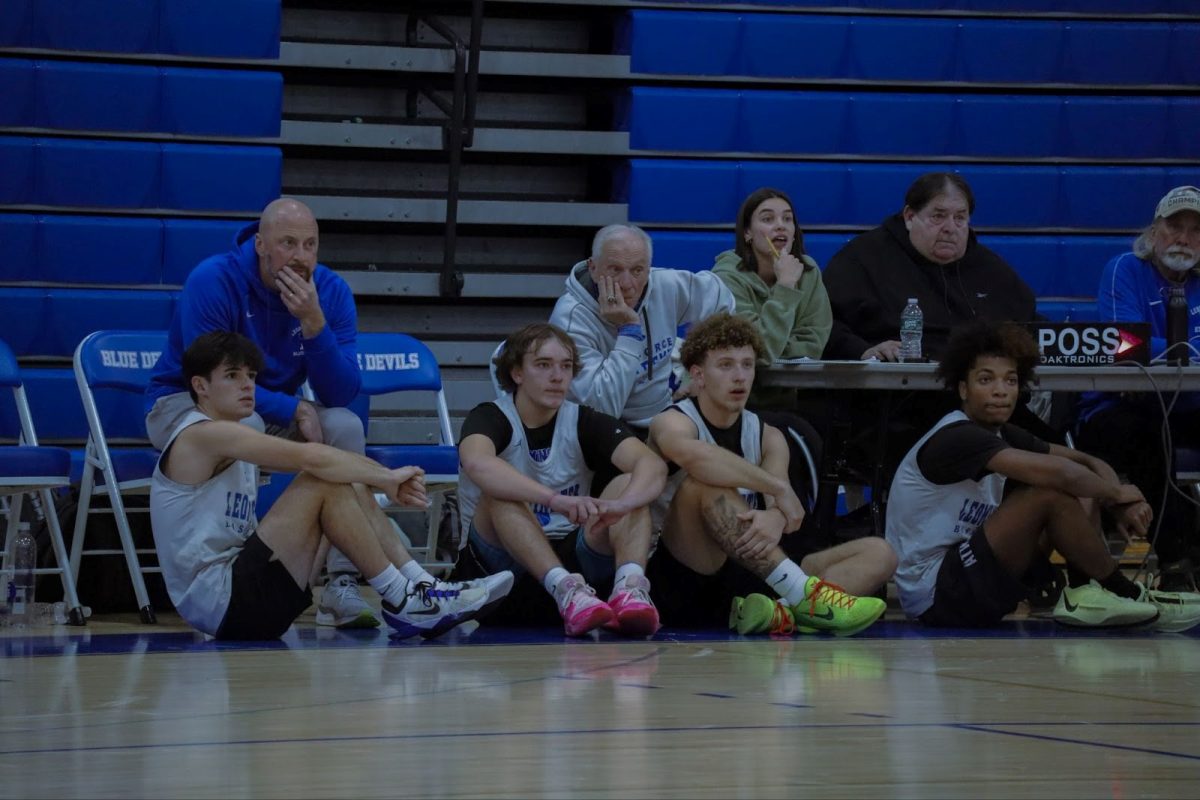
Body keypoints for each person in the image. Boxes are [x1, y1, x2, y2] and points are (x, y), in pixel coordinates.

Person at [149, 331, 512, 641]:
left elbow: (330, 462)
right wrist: (386, 477)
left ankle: (419, 587)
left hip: (249, 599)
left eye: (251, 375)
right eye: (232, 375)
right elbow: (312, 458)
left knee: (341, 479)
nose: (247, 385)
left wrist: (377, 477)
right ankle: (404, 599)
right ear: (200, 386)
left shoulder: (241, 433)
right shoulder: (201, 435)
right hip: (218, 600)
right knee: (322, 479)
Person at [145, 198, 381, 630]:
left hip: (264, 406)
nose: (300, 256)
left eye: (310, 245)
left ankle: (342, 583)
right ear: (260, 244)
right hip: (186, 401)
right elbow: (210, 381)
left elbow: (342, 391)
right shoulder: (214, 280)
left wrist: (313, 323)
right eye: (287, 243)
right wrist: (293, 407)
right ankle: (241, 557)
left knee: (344, 426)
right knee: (243, 421)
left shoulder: (330, 292)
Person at [886, 320, 1200, 632]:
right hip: (935, 591)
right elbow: (1061, 473)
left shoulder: (1002, 432)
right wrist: (1117, 495)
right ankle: (1128, 592)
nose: (1000, 391)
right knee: (1048, 493)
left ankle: (1088, 590)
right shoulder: (957, 436)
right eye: (986, 380)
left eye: (1010, 381)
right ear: (963, 389)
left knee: (1077, 486)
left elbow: (1086, 462)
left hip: (971, 573)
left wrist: (1116, 497)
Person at [645, 313, 895, 636]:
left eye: (747, 365)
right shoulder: (673, 421)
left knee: (880, 553)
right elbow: (696, 458)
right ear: (698, 375)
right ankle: (804, 597)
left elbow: (788, 515)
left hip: (750, 570)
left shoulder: (768, 436)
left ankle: (780, 613)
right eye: (726, 365)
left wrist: (776, 516)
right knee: (703, 485)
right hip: (685, 574)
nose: (740, 377)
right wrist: (777, 488)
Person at [453, 323, 669, 637]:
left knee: (629, 485)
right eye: (543, 365)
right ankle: (562, 587)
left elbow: (652, 465)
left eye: (565, 366)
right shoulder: (489, 417)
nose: (557, 376)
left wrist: (622, 505)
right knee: (499, 491)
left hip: (583, 584)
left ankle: (628, 588)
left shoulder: (584, 419)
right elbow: (477, 462)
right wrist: (553, 499)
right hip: (500, 578)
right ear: (517, 373)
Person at [1076, 185, 1200, 591]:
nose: (1184, 238)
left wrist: (1157, 348)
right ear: (1153, 232)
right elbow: (1123, 342)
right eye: (1175, 226)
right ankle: (1176, 562)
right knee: (1148, 437)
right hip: (1116, 406)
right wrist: (1185, 349)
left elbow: (1143, 345)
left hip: (1186, 405)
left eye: (1196, 231)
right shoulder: (1124, 268)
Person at [714, 186, 833, 553]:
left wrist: (773, 344)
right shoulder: (727, 276)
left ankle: (813, 547)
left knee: (828, 437)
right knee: (797, 436)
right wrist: (784, 288)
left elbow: (814, 339)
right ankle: (783, 552)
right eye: (767, 218)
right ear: (747, 233)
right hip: (733, 402)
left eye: (787, 218)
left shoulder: (808, 271)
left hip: (787, 396)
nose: (780, 226)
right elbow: (758, 351)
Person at [822, 172, 1036, 363]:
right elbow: (822, 324)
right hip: (889, 390)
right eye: (938, 216)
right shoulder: (863, 259)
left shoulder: (990, 269)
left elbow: (1030, 325)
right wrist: (864, 351)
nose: (950, 228)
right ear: (909, 217)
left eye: (960, 218)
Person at [549, 224, 734, 435]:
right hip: (604, 430)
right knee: (682, 447)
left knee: (764, 436)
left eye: (637, 270)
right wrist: (629, 330)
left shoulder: (666, 285)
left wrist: (699, 373)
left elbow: (724, 300)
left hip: (666, 415)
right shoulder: (570, 319)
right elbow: (601, 409)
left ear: (649, 269)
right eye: (615, 270)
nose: (627, 283)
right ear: (593, 268)